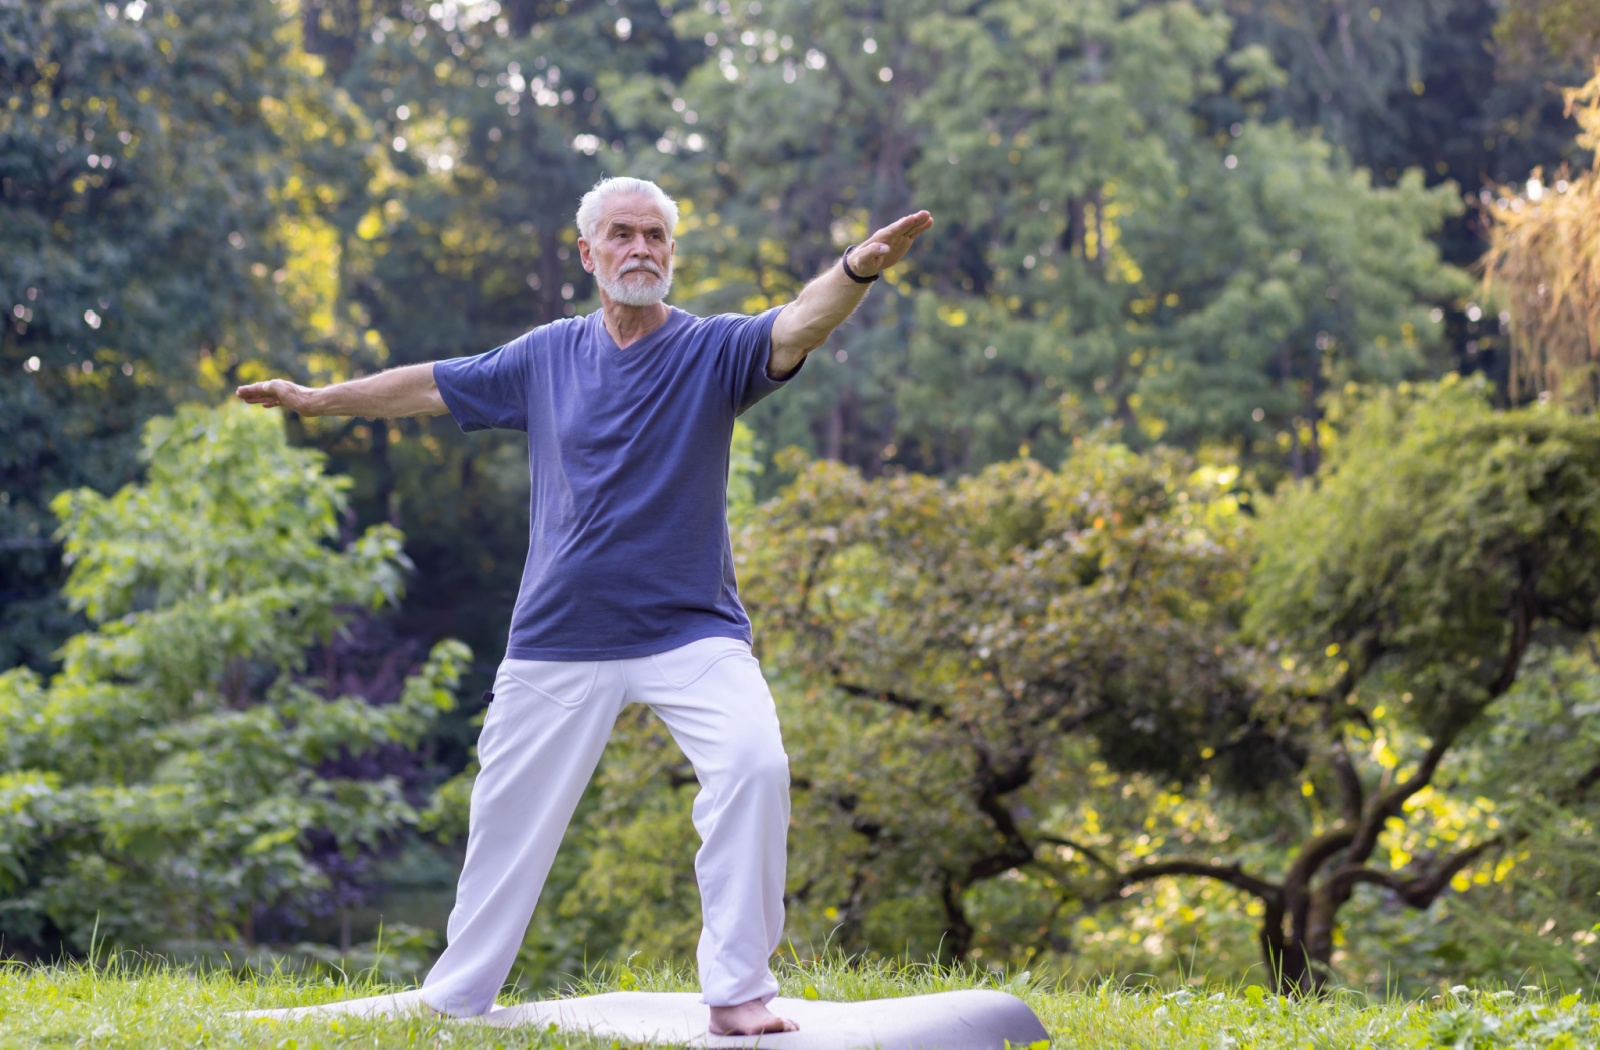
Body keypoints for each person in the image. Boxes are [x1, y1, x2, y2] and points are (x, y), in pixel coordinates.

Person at [237, 176, 933, 1035]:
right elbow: (431, 387)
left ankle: (739, 992)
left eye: (655, 236)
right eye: (623, 235)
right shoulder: (545, 355)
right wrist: (316, 400)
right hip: (557, 639)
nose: (641, 249)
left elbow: (797, 323)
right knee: (505, 824)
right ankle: (457, 995)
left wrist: (856, 268)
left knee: (755, 767)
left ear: (671, 253)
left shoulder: (712, 351)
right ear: (589, 253)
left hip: (690, 631)